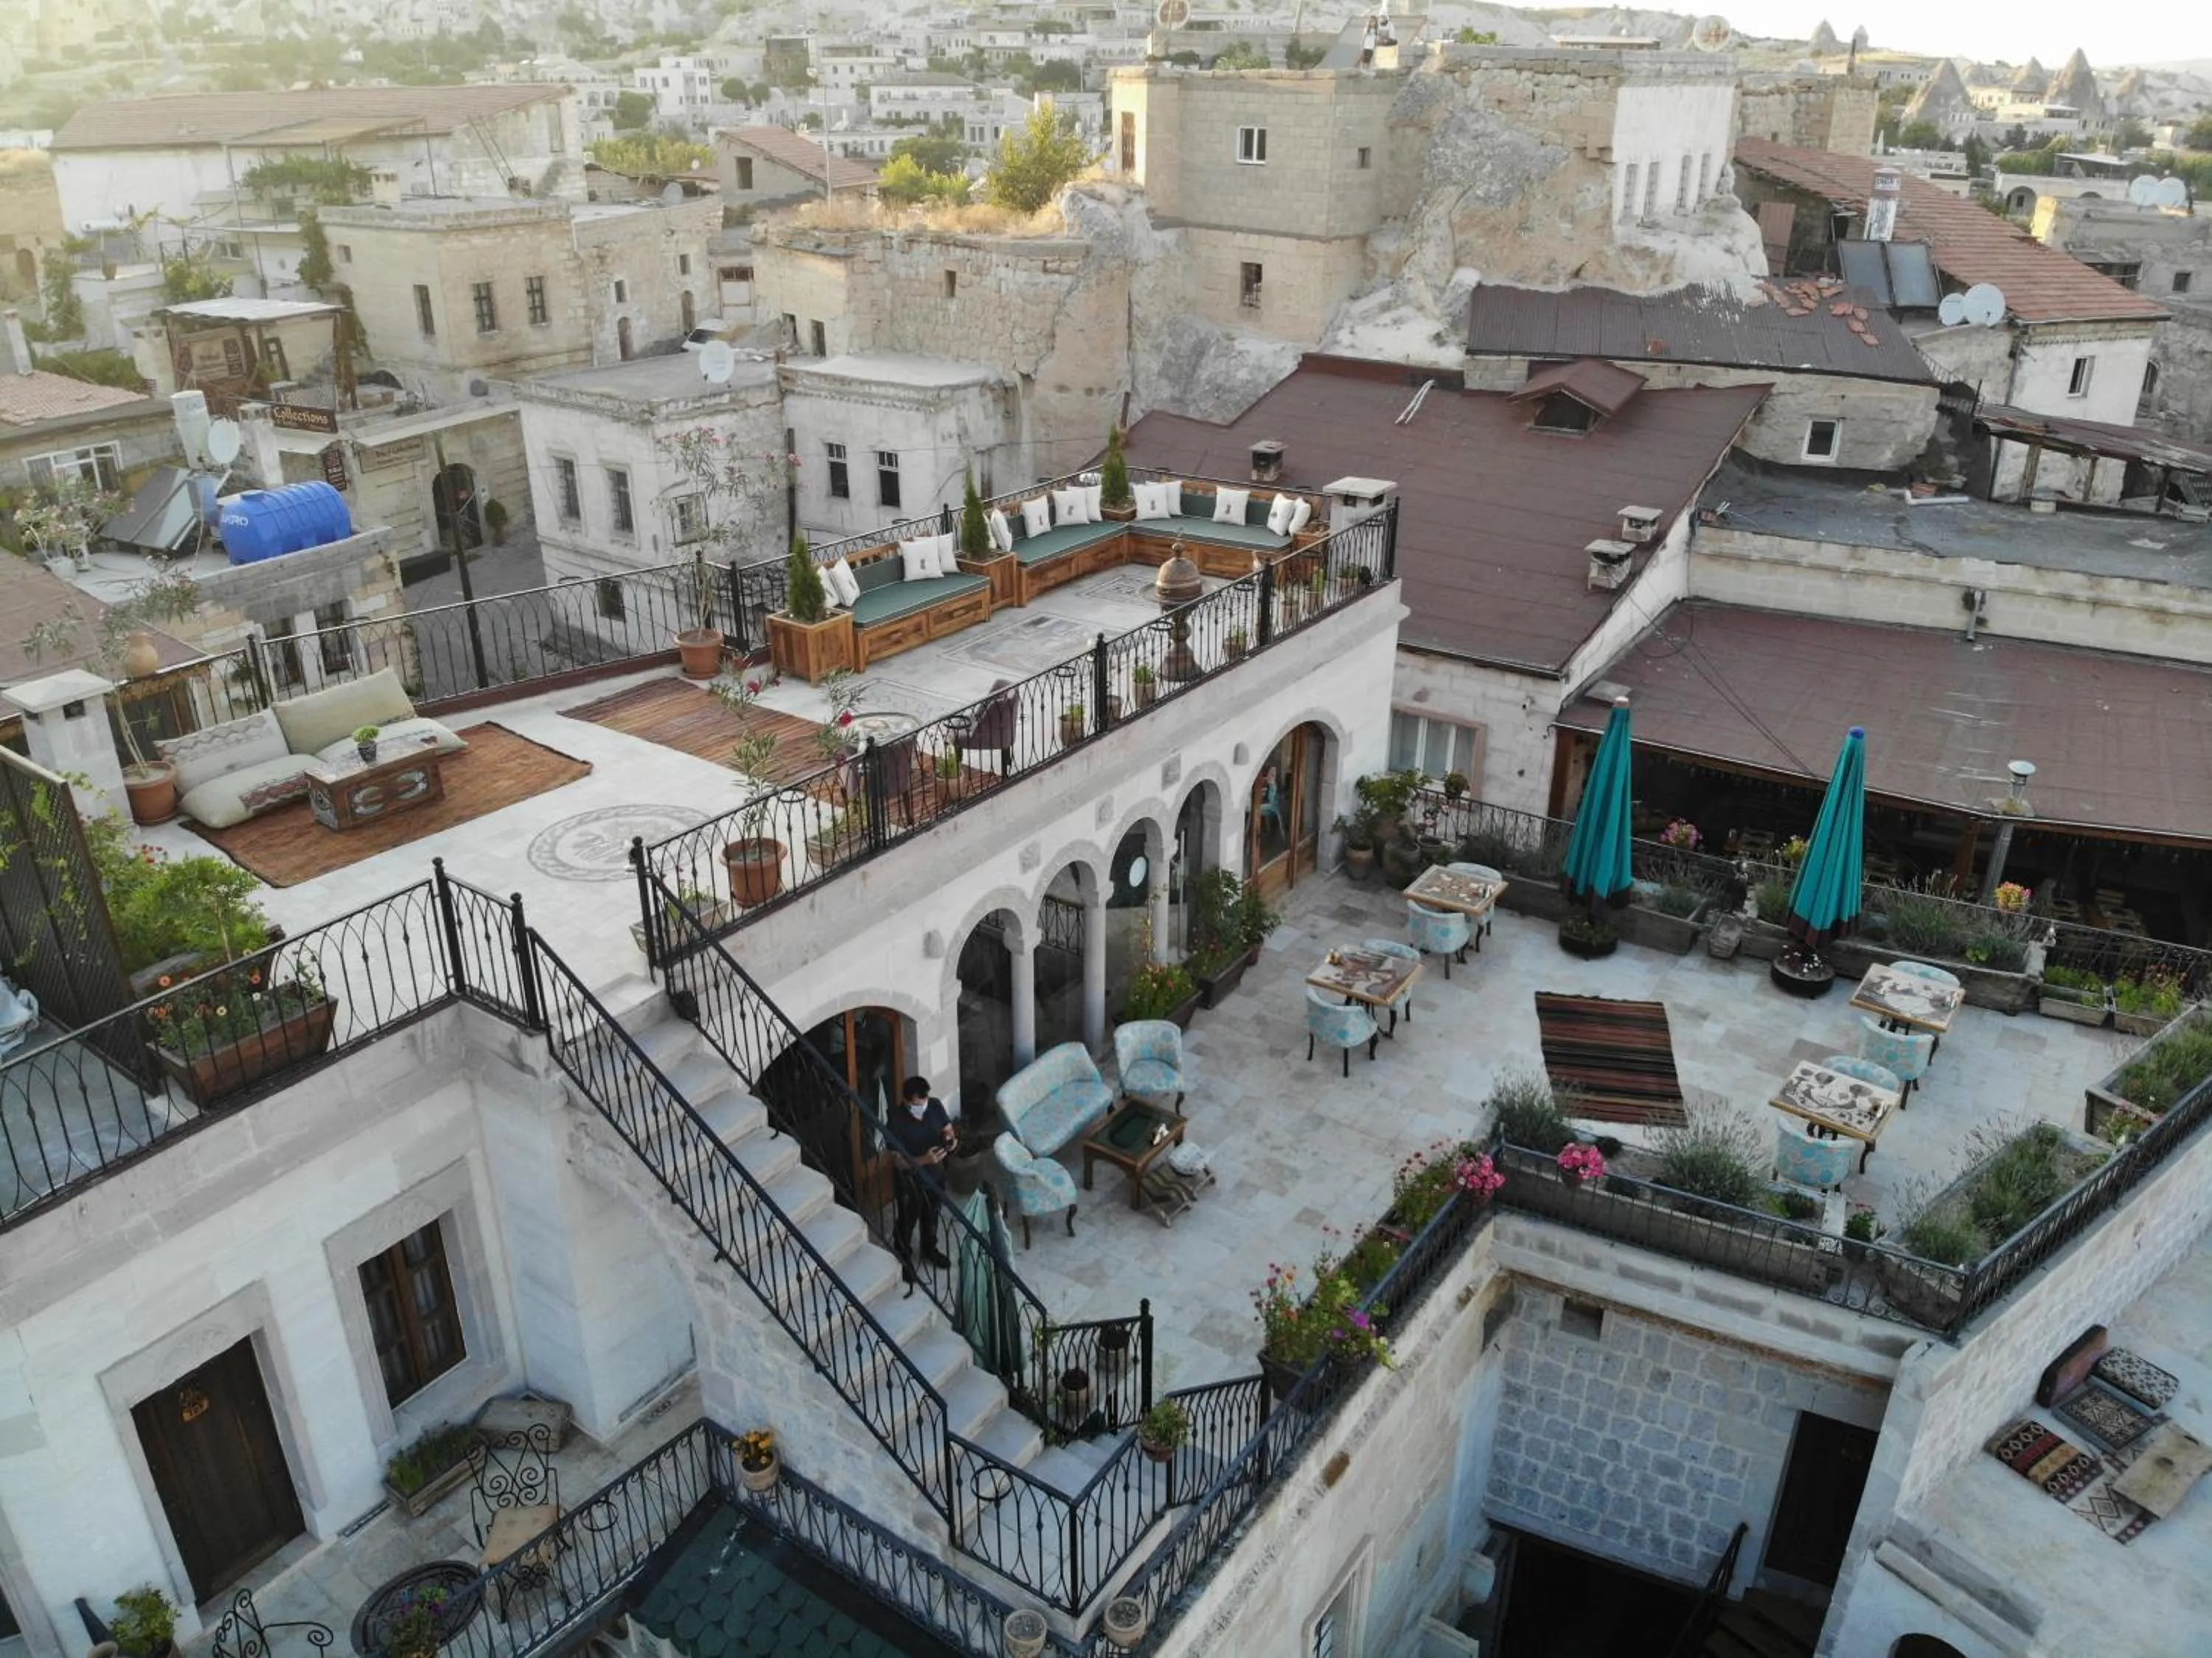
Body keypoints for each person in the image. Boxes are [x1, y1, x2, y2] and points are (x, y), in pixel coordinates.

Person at [885, 1074, 956, 1275]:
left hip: (936, 1176)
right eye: (918, 1103)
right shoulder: (897, 1121)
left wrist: (951, 1140)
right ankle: (903, 1255)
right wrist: (924, 1160)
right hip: (910, 1182)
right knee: (908, 1220)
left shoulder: (934, 1106)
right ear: (907, 1101)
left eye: (924, 1101)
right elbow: (897, 1160)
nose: (923, 1106)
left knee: (932, 1216)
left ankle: (929, 1249)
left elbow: (948, 1128)